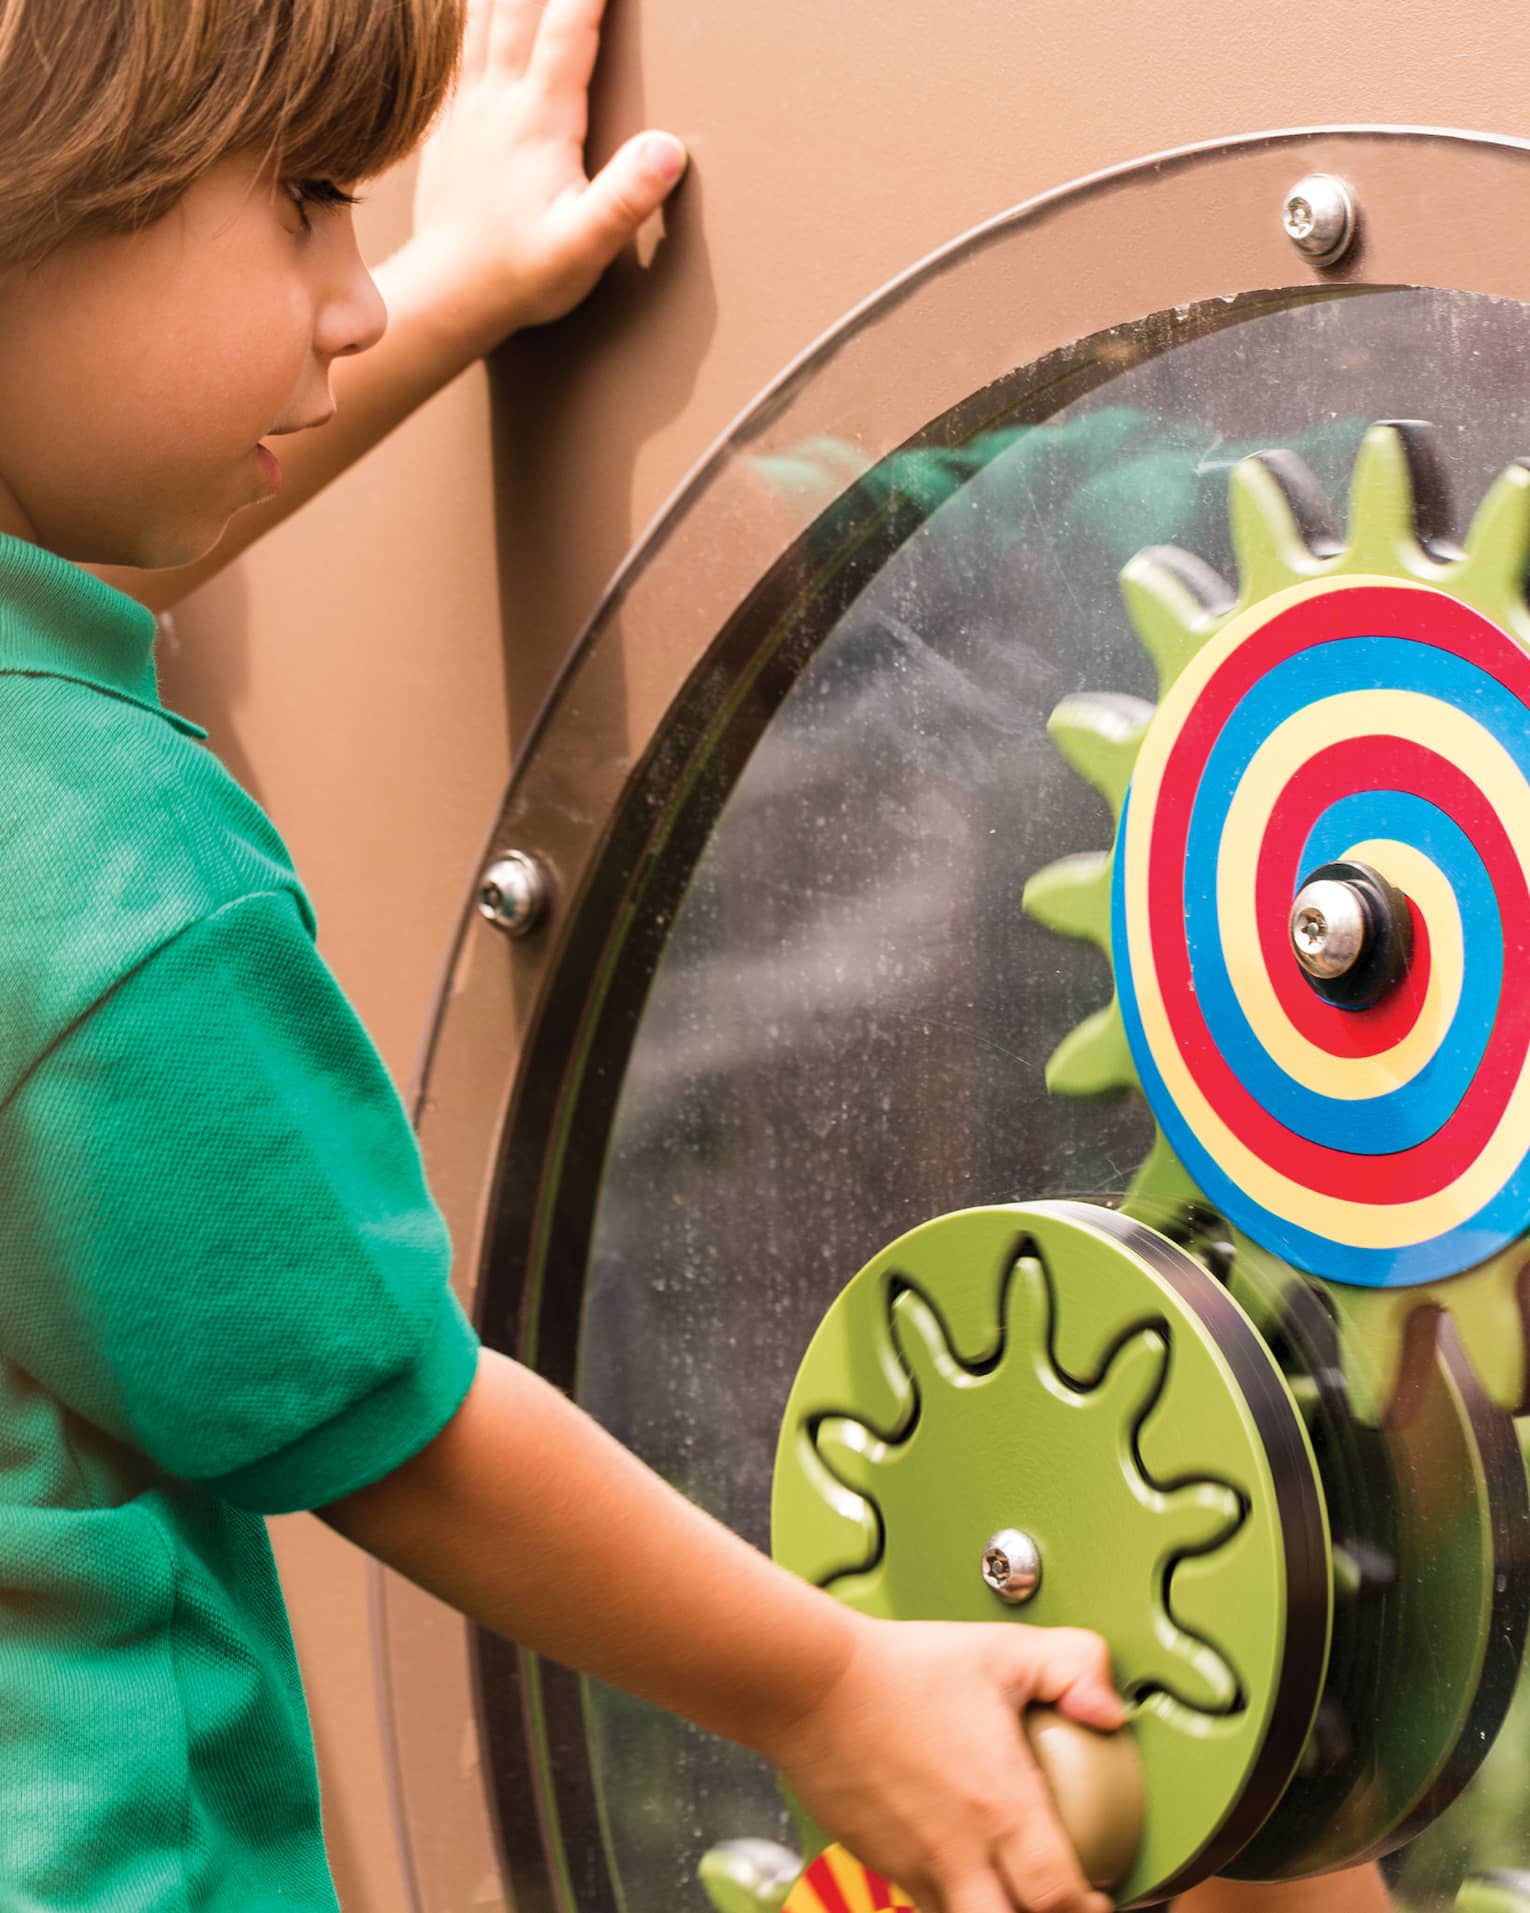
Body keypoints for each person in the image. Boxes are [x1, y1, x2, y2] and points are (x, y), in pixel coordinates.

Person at [0, 1, 1390, 1910]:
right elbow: (396, 1420)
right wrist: (824, 1685)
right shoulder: (112, 878)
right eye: (310, 205)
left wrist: (453, 282)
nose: (343, 303)